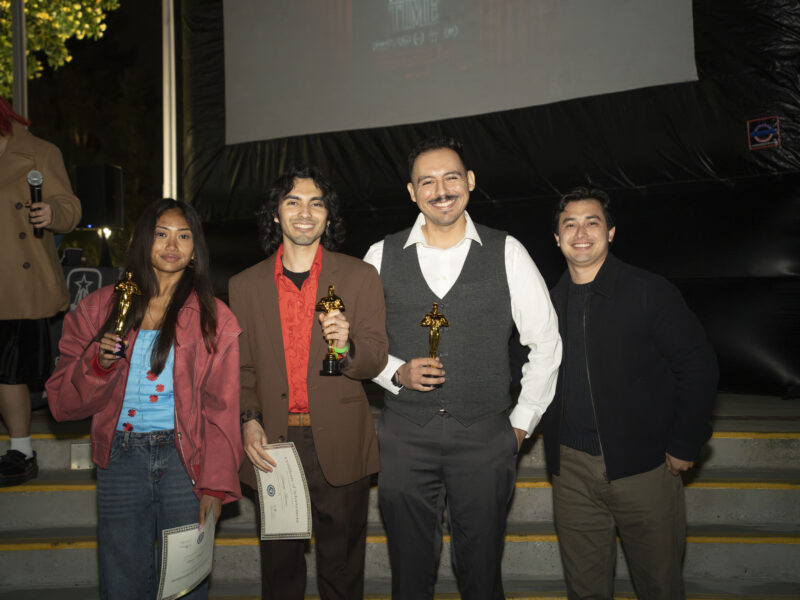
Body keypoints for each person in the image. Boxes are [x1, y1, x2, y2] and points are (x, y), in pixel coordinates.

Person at [363, 136, 562, 599]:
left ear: (470, 182)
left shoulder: (506, 250)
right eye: (426, 181)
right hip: (405, 435)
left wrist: (520, 424)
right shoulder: (381, 255)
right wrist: (394, 372)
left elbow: (546, 341)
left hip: (485, 435)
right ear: (412, 193)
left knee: (481, 571)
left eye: (451, 177)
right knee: (409, 576)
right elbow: (353, 342)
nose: (441, 190)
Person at [46, 199, 243, 600]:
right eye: (161, 233)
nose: (173, 244)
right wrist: (97, 366)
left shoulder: (214, 317)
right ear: (142, 241)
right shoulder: (100, 307)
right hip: (120, 459)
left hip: (183, 462)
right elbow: (61, 403)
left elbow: (223, 408)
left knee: (184, 586)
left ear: (195, 250)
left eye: (184, 236)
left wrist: (215, 486)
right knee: (123, 583)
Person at [542, 186, 719, 599]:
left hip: (645, 469)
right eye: (570, 224)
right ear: (556, 238)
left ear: (612, 232)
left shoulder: (648, 291)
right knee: (585, 591)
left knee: (660, 587)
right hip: (571, 472)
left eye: (593, 222)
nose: (580, 232)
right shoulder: (546, 304)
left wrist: (684, 442)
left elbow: (699, 366)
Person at [228, 165, 388, 600]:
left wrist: (347, 346)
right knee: (280, 571)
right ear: (275, 214)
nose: (305, 211)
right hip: (275, 444)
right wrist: (248, 419)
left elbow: (375, 358)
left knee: (342, 567)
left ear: (328, 217)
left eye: (316, 203)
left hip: (340, 439)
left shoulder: (359, 277)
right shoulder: (244, 286)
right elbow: (241, 369)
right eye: (293, 201)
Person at [0, 96, 81, 487]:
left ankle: (21, 451)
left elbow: (69, 205)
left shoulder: (39, 152)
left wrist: (52, 213)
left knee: (10, 370)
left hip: (20, 281)